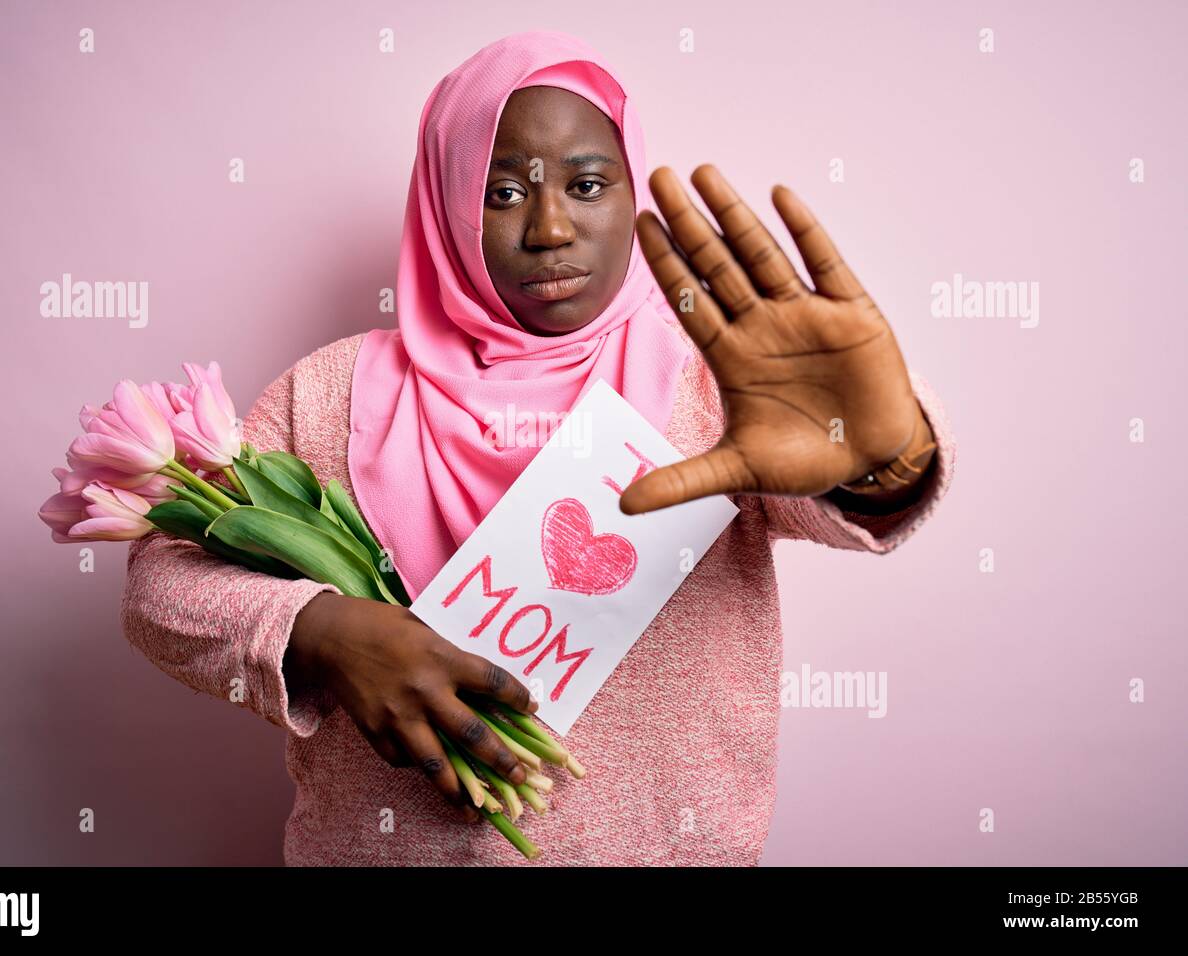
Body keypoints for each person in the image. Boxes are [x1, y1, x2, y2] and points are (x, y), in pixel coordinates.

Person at [120, 30, 955, 866]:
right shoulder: (327, 393)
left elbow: (863, 491)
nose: (550, 227)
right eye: (502, 192)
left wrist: (882, 455)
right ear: (445, 202)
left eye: (587, 184)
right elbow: (161, 582)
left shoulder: (718, 378)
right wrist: (324, 632)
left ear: (631, 194)